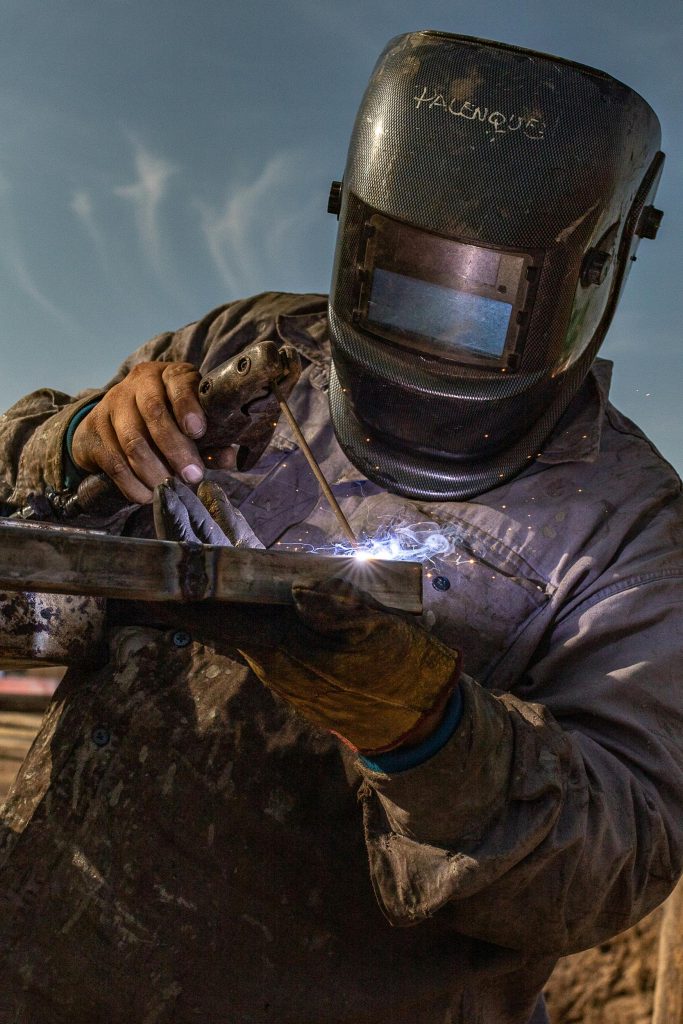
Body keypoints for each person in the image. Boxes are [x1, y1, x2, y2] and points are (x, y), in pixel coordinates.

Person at [0, 31, 681, 1024]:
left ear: (590, 275)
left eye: (483, 305)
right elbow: (28, 529)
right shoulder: (245, 342)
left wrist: (427, 732)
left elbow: (621, 862)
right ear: (353, 222)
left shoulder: (630, 534)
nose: (434, 330)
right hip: (50, 962)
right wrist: (74, 443)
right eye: (400, 277)